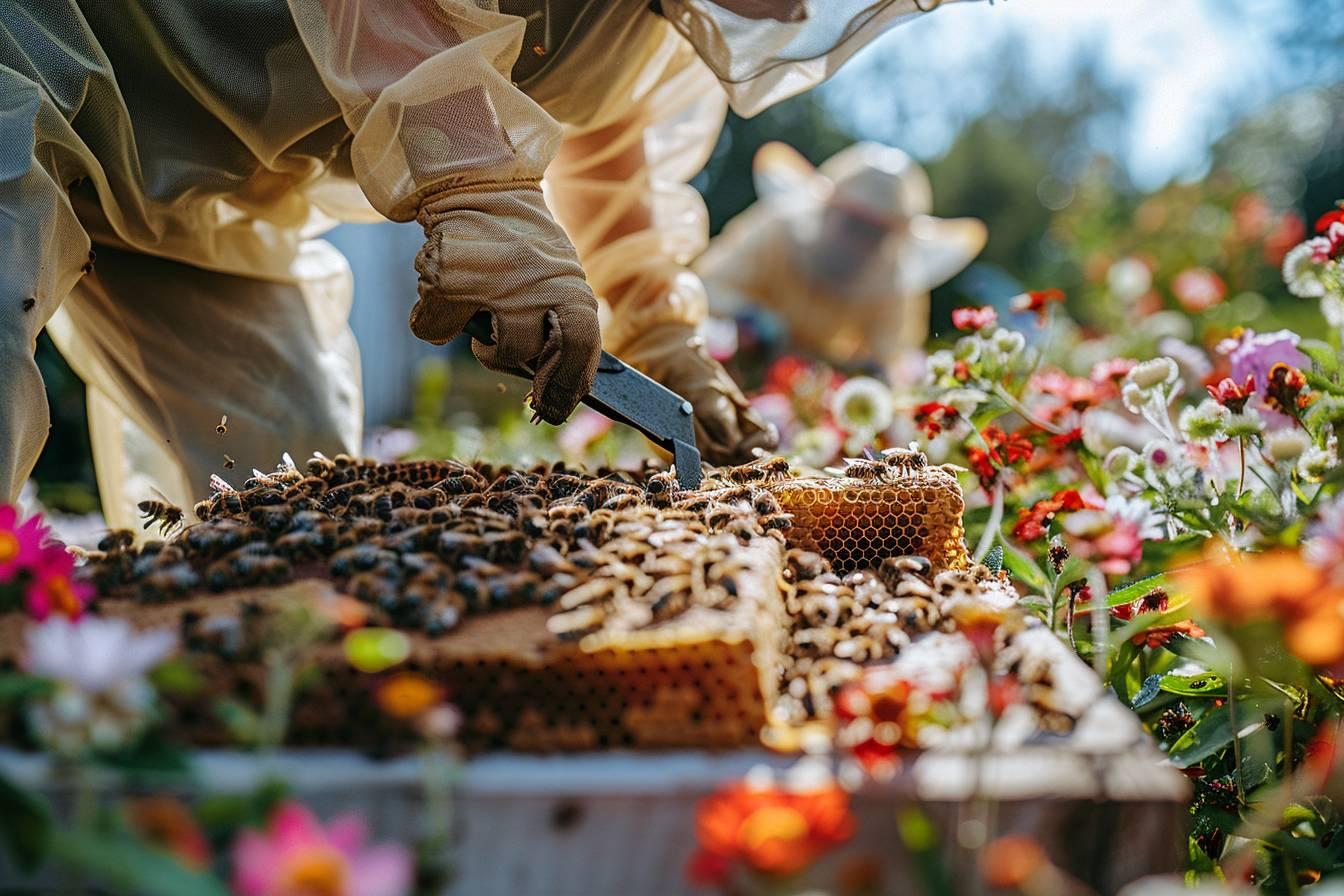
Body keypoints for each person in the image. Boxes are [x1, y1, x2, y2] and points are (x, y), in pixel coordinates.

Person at [0, 0, 972, 530]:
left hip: (200, 197)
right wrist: (476, 187)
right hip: (57, 43)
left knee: (284, 498)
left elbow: (603, 141)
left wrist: (662, 337)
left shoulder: (657, 26)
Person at [696, 141, 987, 374]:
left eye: (877, 235)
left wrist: (861, 376)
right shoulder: (775, 232)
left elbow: (893, 363)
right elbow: (703, 287)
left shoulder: (894, 284)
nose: (860, 245)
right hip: (726, 373)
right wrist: (753, 318)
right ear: (828, 211)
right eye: (855, 225)